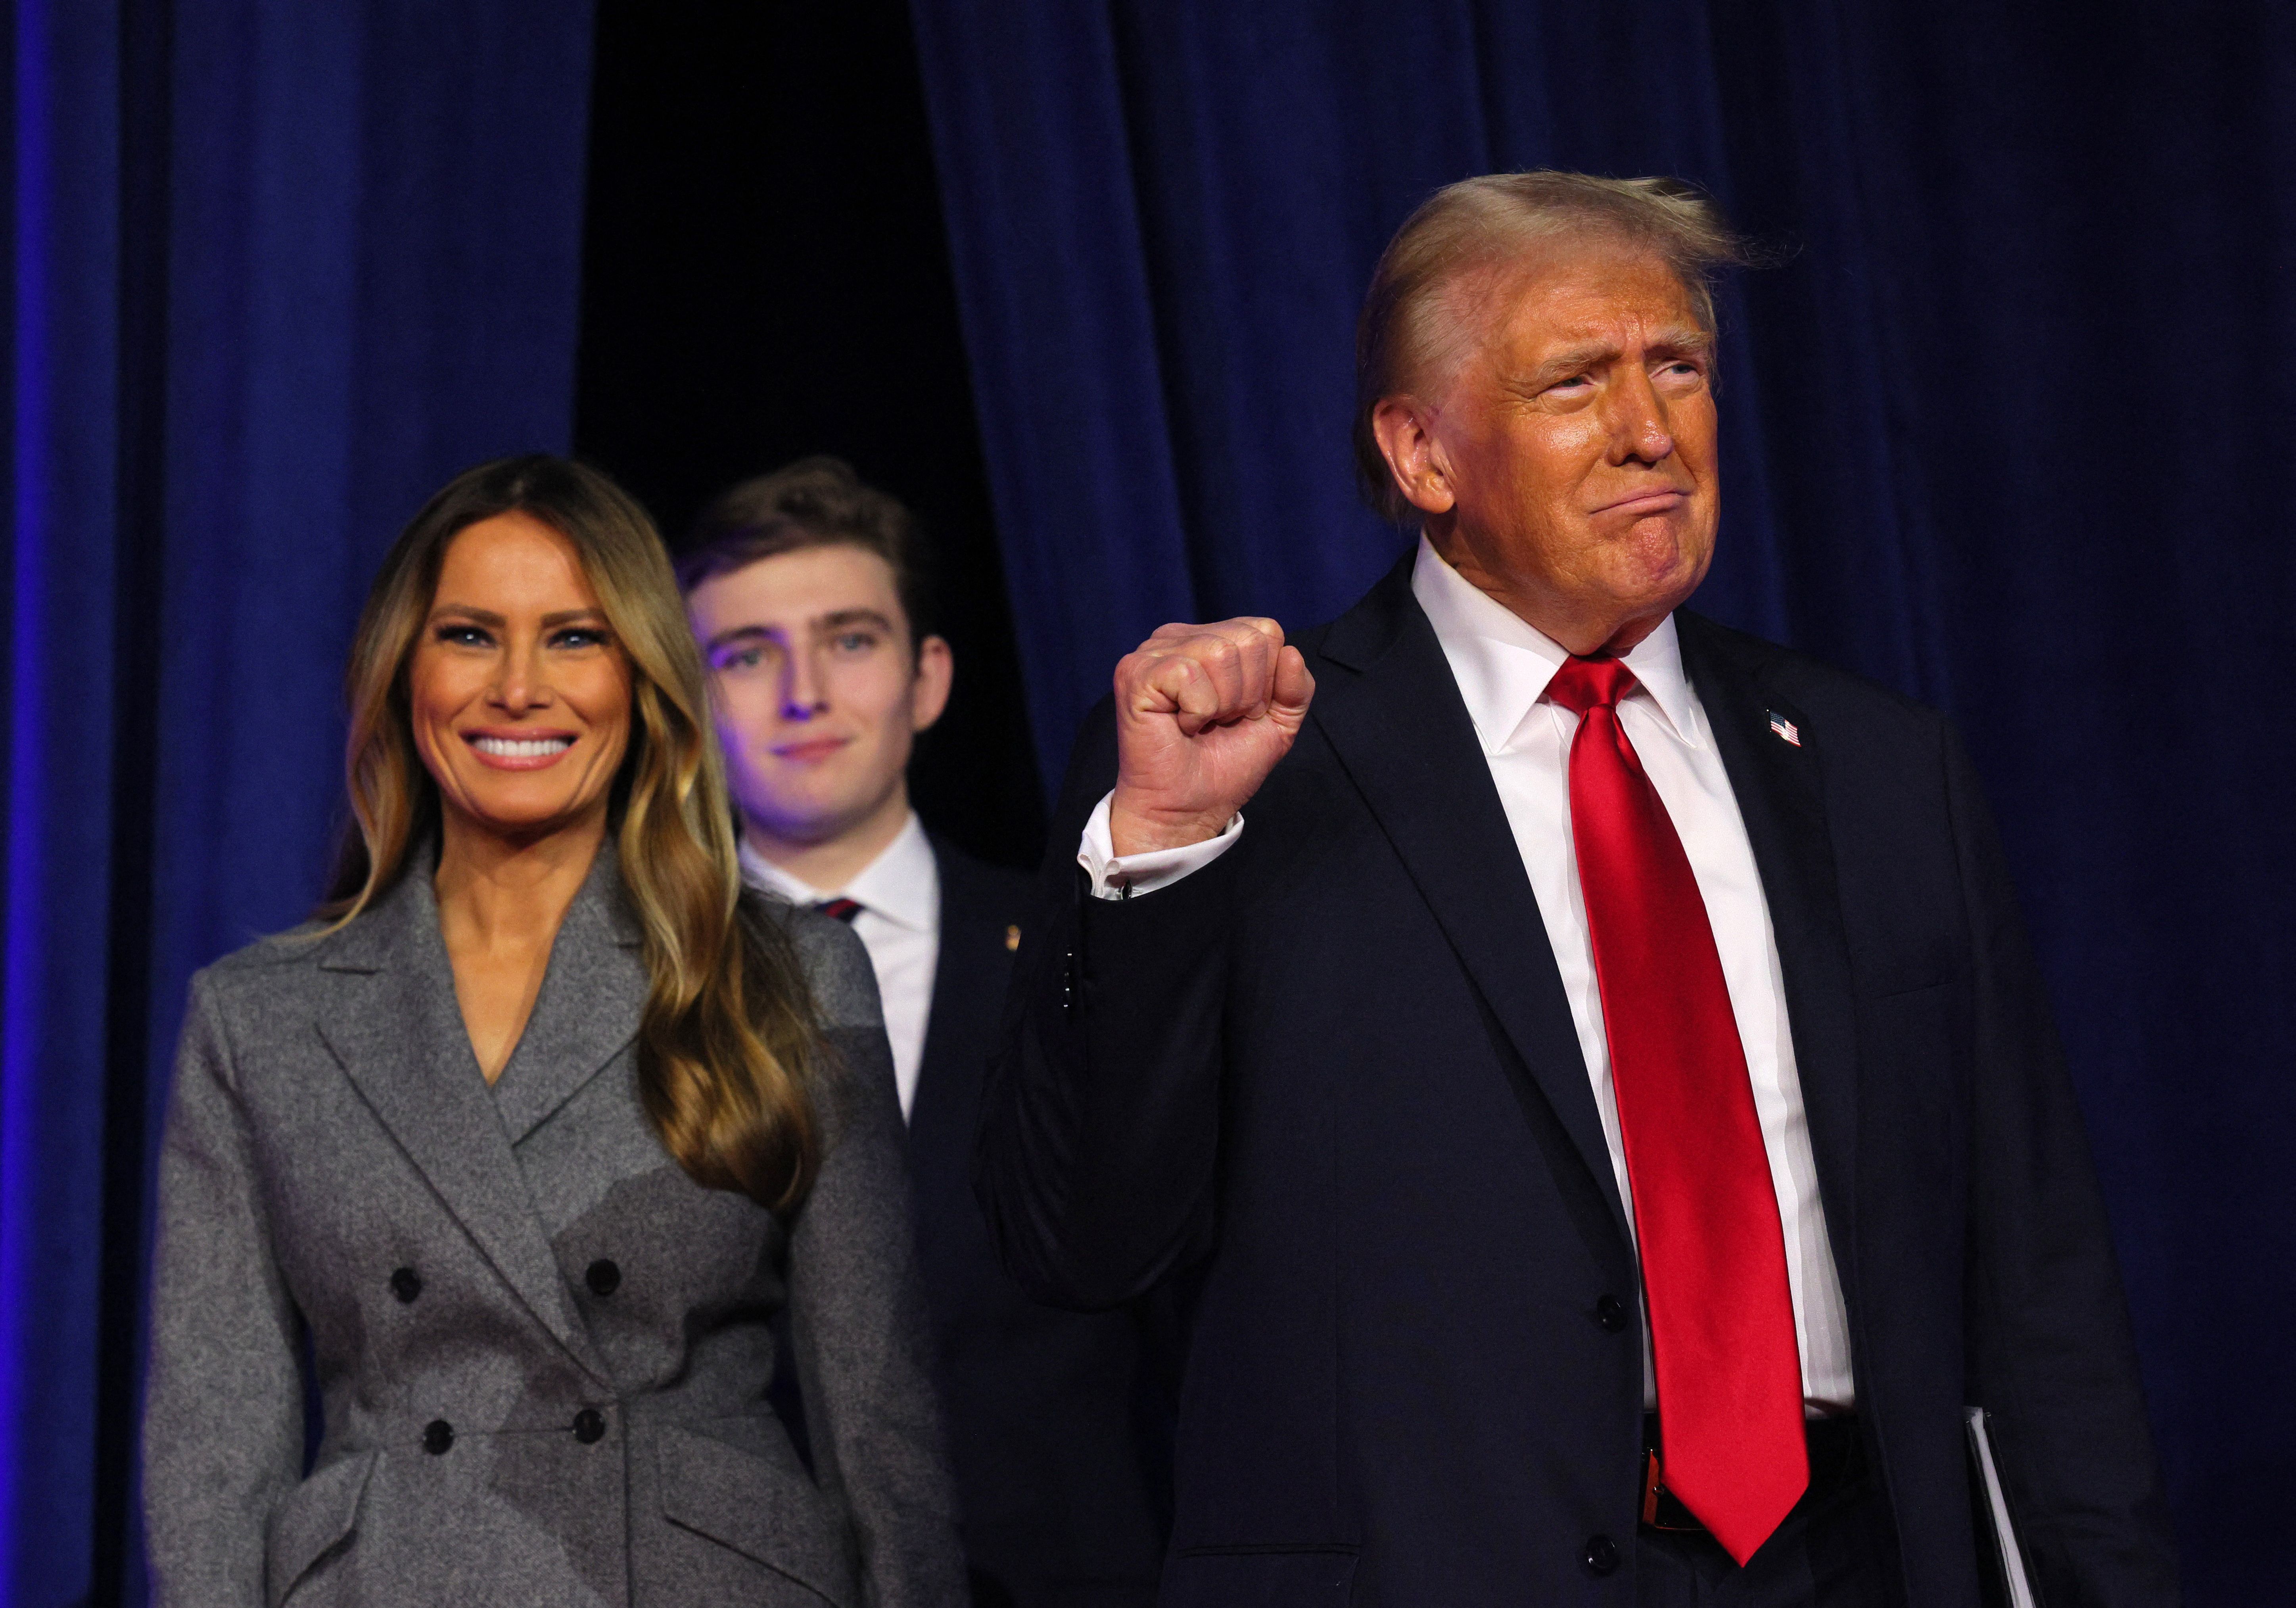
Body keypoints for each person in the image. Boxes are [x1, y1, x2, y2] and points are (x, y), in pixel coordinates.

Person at [977, 173, 2180, 1606]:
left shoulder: (1876, 762)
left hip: (1850, 1565)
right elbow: (1081, 1238)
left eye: (1677, 366)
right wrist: (1166, 842)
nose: (1648, 431)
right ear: (1424, 453)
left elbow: (2041, 1283)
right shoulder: (1252, 772)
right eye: (1574, 383)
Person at [142, 455, 966, 1606]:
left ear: (642, 675)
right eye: (471, 635)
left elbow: (879, 1419)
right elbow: (213, 1460)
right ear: (401, 673)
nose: (518, 688)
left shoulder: (785, 976)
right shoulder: (257, 1019)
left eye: (574, 638)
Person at [679, 457, 1172, 1608]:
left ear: (928, 676)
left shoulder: (1093, 949)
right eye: (746, 655)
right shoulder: (620, 992)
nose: (804, 692)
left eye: (850, 640)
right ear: (689, 703)